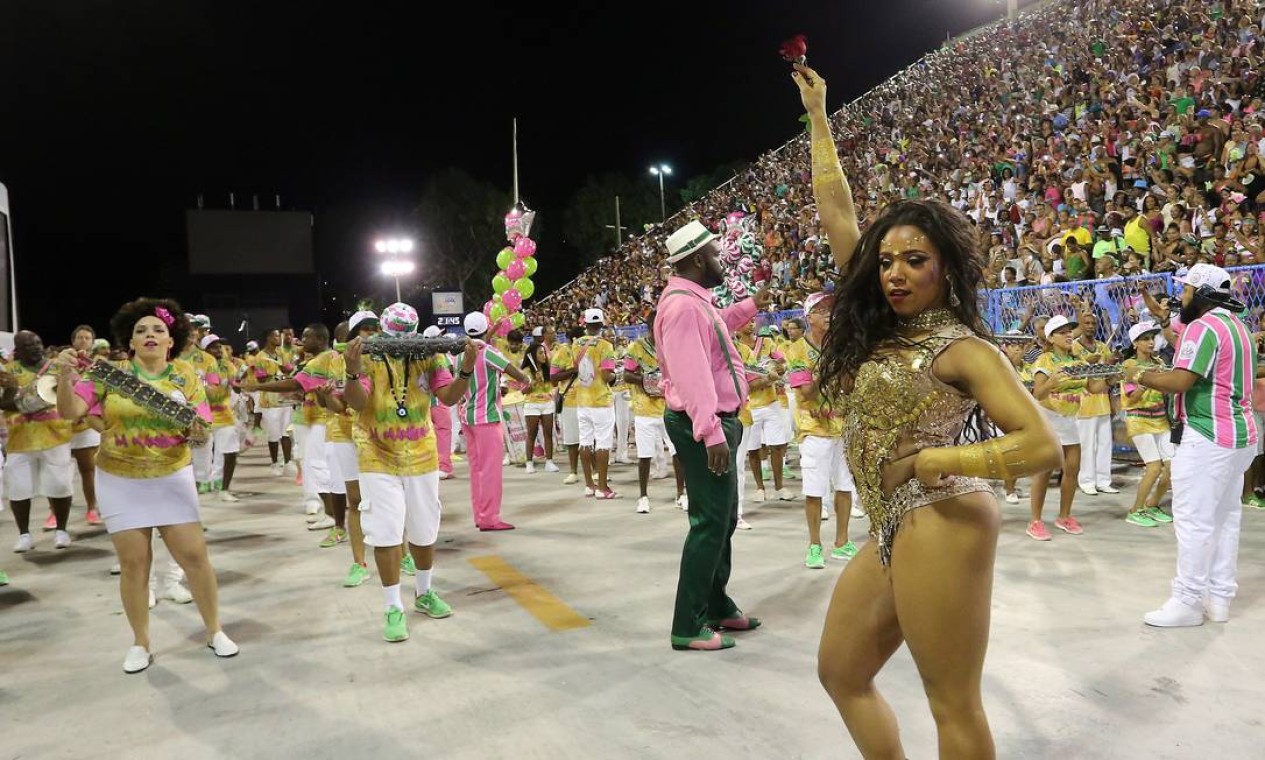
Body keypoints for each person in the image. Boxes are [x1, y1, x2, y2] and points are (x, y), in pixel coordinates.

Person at [796, 64, 1059, 758]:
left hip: (942, 515)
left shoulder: (965, 350)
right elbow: (836, 213)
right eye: (886, 262)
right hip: (894, 521)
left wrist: (938, 459)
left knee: (951, 702)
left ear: (945, 266)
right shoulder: (883, 327)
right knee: (841, 671)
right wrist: (818, 118)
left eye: (914, 260)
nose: (894, 274)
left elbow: (1040, 445)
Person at [55, 298, 237, 673]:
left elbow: (201, 430)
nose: (150, 334)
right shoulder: (110, 373)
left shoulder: (185, 375)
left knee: (195, 558)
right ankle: (140, 642)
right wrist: (62, 377)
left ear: (171, 341)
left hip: (172, 476)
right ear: (131, 342)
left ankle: (214, 630)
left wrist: (192, 427)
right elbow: (70, 411)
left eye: (158, 329)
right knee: (134, 563)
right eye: (141, 330)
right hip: (119, 479)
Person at [656, 219, 772, 652]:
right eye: (717, 255)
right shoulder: (683, 307)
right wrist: (710, 432)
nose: (722, 261)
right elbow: (692, 374)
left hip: (715, 421)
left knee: (723, 520)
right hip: (704, 424)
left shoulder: (693, 301)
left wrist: (750, 306)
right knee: (708, 524)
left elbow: (716, 328)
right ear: (698, 259)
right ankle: (688, 623)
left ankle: (717, 602)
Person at [1126, 264, 1259, 627]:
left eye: (1185, 290)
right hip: (1239, 435)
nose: (1180, 296)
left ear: (1200, 293)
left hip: (1207, 435)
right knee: (1225, 518)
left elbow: (1182, 380)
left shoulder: (1204, 327)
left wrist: (1138, 374)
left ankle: (1186, 602)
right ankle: (1219, 598)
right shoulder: (1238, 327)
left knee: (1193, 521)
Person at [342, 302, 474, 642]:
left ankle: (424, 593)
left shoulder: (430, 354)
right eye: (393, 337)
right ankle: (393, 607)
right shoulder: (370, 356)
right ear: (383, 333)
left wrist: (467, 370)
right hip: (377, 453)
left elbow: (446, 398)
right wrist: (352, 370)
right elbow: (356, 403)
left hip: (421, 453)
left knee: (424, 526)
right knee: (386, 531)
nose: (401, 343)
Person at [785, 292, 858, 568]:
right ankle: (815, 546)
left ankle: (842, 542)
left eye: (830, 309)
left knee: (844, 485)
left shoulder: (841, 345)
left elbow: (850, 382)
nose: (828, 313)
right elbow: (805, 390)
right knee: (814, 490)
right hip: (813, 427)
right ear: (809, 317)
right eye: (820, 309)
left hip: (841, 424)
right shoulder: (796, 350)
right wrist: (830, 367)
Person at [1, 330, 76, 552]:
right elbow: (3, 402)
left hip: (56, 435)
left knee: (60, 485)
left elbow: (71, 393)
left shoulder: (56, 366)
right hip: (20, 439)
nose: (35, 347)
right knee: (19, 488)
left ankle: (61, 531)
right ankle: (24, 535)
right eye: (28, 345)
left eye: (38, 342)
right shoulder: (8, 371)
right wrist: (21, 398)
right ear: (18, 350)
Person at [458, 312, 529, 531]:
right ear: (485, 327)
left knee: (476, 469)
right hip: (487, 418)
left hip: (467, 416)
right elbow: (512, 371)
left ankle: (480, 514)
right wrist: (525, 379)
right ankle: (490, 517)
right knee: (490, 471)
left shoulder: (461, 355)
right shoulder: (488, 353)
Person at [1028, 315, 1089, 540]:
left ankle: (1064, 517)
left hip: (1070, 420)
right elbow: (1037, 394)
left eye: (1070, 331)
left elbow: (1094, 385)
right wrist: (1051, 383)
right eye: (1062, 332)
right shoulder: (1044, 361)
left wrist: (1111, 376)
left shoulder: (1078, 359)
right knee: (1043, 473)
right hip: (1048, 420)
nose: (1068, 335)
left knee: (1072, 470)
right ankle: (1035, 521)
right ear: (1051, 337)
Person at [623, 310, 685, 514]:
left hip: (669, 408)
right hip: (644, 410)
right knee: (644, 456)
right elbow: (627, 375)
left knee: (678, 453)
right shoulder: (636, 347)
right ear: (651, 328)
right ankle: (643, 496)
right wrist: (647, 381)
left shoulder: (671, 346)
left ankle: (681, 494)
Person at [1120, 323, 1175, 528]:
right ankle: (1135, 510)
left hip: (1160, 419)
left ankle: (1152, 504)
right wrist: (1147, 381)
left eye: (1152, 337)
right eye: (1145, 338)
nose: (1151, 342)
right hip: (1138, 419)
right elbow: (1131, 399)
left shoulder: (1159, 361)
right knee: (1153, 468)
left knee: (1171, 469)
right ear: (1135, 343)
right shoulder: (1129, 366)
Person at [573, 309, 619, 499]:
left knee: (585, 441)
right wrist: (617, 375)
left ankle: (589, 485)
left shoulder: (576, 344)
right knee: (603, 443)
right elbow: (607, 376)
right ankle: (602, 487)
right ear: (601, 324)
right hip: (600, 400)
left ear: (585, 324)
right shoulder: (605, 346)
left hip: (582, 399)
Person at [196, 334, 242, 502]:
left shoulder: (229, 366)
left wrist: (240, 385)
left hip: (224, 415)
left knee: (230, 452)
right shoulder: (198, 365)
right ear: (205, 351)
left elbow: (236, 387)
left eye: (219, 346)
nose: (219, 349)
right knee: (201, 457)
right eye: (213, 347)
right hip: (202, 416)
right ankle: (203, 485)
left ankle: (224, 489)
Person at [66, 324, 102, 526]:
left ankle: (91, 508)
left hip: (87, 425)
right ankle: (54, 512)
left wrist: (85, 411)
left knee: (88, 470)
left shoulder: (98, 364)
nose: (83, 341)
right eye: (79, 337)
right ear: (73, 341)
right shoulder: (61, 363)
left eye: (87, 338)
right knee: (60, 472)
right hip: (61, 426)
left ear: (93, 342)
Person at [550, 326, 585, 484]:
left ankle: (595, 471)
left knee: (590, 438)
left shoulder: (589, 351)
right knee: (572, 439)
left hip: (588, 400)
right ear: (573, 340)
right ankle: (573, 471)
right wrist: (573, 370)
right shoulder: (562, 352)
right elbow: (553, 378)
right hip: (570, 401)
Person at [420, 325, 457, 480]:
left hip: (427, 401)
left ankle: (438, 465)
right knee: (442, 432)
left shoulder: (421, 355)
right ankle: (444, 466)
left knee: (434, 433)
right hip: (436, 399)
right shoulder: (439, 356)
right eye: (440, 336)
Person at [520, 335, 558, 474]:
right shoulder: (526, 371)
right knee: (532, 434)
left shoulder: (548, 368)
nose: (544, 355)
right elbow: (523, 391)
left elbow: (554, 385)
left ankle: (549, 461)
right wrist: (534, 382)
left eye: (544, 352)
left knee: (548, 433)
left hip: (547, 403)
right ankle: (529, 463)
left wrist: (551, 389)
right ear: (533, 355)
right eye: (541, 353)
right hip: (532, 404)